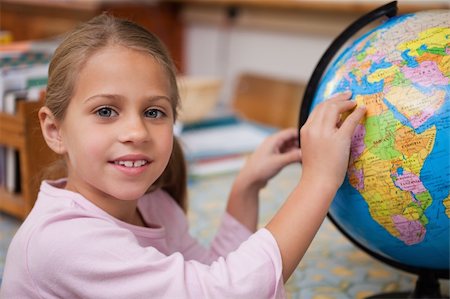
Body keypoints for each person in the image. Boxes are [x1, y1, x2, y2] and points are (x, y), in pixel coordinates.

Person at [0, 14, 365, 299]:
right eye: (106, 111)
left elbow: (210, 272)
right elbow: (227, 292)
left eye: (154, 112)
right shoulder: (65, 242)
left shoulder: (151, 204)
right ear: (54, 130)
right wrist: (318, 180)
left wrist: (245, 187)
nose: (137, 132)